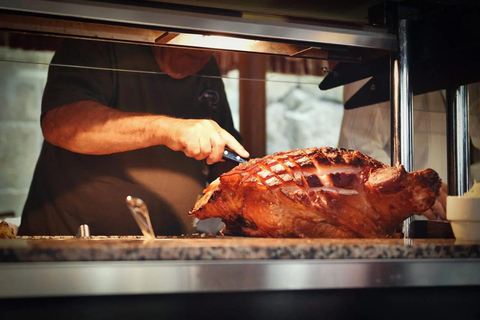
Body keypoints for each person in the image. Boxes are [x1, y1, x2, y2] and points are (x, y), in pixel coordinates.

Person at [17, 38, 249, 236]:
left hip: (170, 249)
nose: (202, 54)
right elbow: (61, 125)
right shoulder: (101, 37)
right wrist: (170, 130)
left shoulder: (203, 61)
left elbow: (222, 154)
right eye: (195, 37)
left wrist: (255, 181)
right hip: (70, 246)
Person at [339, 80, 480, 221]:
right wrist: (410, 188)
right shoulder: (374, 69)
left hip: (464, 219)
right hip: (408, 224)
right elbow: (356, 149)